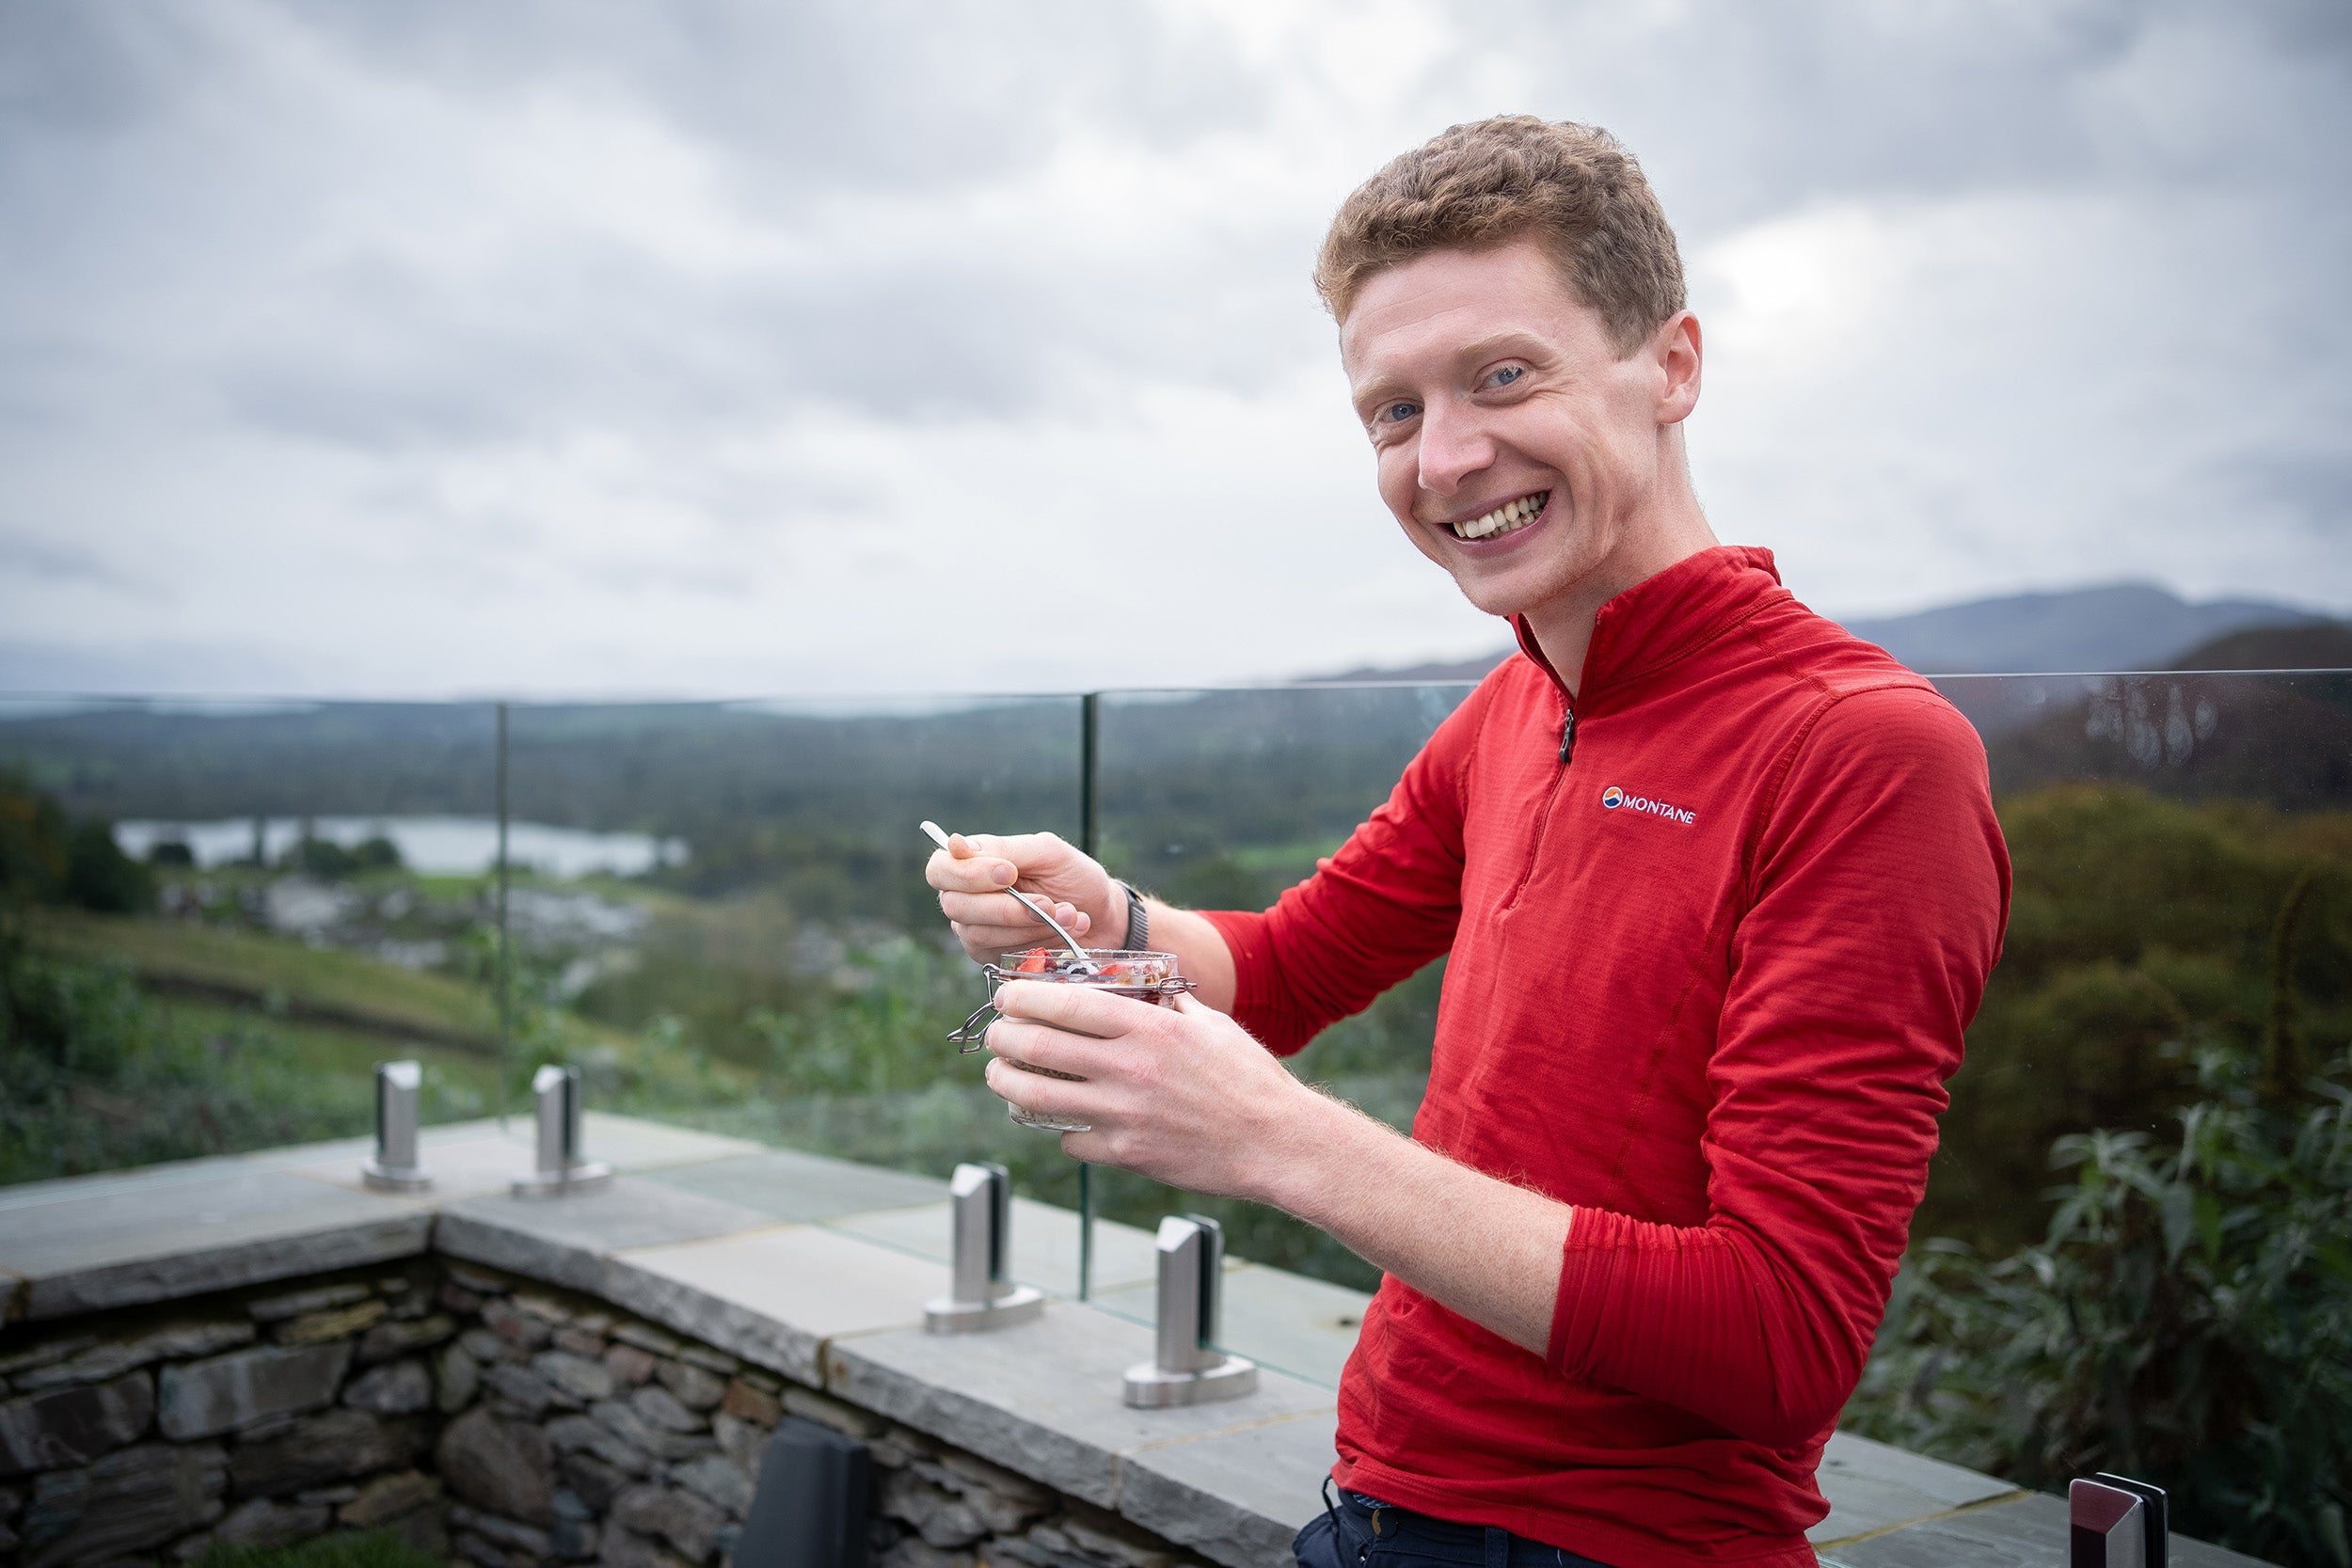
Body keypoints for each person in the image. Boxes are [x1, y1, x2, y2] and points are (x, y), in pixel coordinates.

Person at [926, 116, 2010, 1568]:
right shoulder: (1518, 703)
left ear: (1673, 366)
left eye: (1503, 375)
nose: (1444, 457)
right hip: (1381, 1504)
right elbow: (1289, 968)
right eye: (1393, 411)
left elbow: (1778, 1338)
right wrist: (1110, 919)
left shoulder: (1868, 753)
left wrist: (1278, 1141)